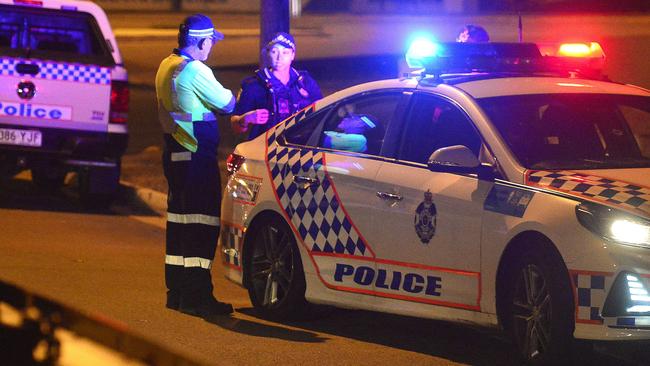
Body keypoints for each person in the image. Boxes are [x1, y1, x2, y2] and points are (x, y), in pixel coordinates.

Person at [155, 13, 235, 318]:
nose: (211, 47)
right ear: (201, 42)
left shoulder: (167, 65)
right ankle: (198, 296)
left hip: (174, 154)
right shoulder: (196, 70)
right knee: (202, 227)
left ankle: (177, 293)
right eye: (211, 42)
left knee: (179, 227)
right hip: (196, 157)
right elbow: (227, 103)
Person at [230, 32, 322, 140]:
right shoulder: (254, 85)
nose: (279, 57)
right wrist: (245, 119)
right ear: (267, 54)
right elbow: (235, 126)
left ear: (293, 55)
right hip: (266, 149)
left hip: (301, 148)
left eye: (285, 52)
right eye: (274, 52)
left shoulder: (305, 81)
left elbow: (322, 110)